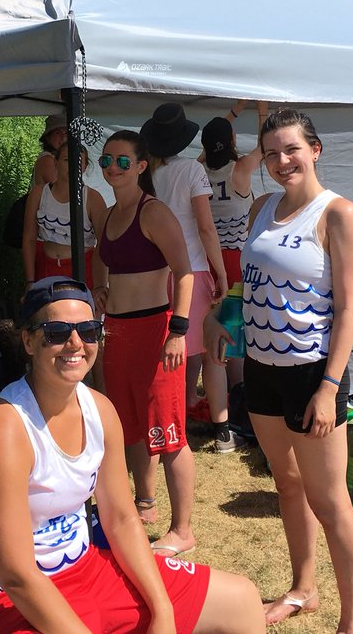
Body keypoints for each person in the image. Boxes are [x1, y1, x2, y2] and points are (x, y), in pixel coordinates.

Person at [0, 277, 265, 634]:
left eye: (88, 331)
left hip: (86, 570)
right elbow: (17, 575)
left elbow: (121, 519)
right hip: (4, 603)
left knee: (241, 600)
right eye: (56, 332)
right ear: (28, 341)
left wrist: (162, 609)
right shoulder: (4, 427)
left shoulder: (99, 410)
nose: (75, 343)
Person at [209, 107, 353, 631]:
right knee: (287, 485)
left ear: (315, 150)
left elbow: (348, 310)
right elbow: (249, 278)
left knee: (331, 502)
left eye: (292, 149)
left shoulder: (339, 214)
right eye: (272, 153)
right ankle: (304, 588)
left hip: (312, 373)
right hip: (261, 369)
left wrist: (328, 389)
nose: (282, 161)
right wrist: (223, 313)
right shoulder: (261, 206)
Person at [94, 130, 198, 558]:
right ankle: (144, 504)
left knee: (169, 432)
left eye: (123, 161)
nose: (113, 168)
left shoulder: (153, 212)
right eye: (106, 160)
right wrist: (100, 289)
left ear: (140, 166)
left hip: (156, 333)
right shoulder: (110, 215)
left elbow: (185, 272)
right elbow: (103, 261)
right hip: (118, 333)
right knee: (130, 427)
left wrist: (178, 331)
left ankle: (183, 530)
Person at [140, 103, 228, 447]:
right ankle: (222, 429)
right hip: (192, 268)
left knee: (168, 351)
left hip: (157, 271)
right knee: (209, 351)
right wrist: (220, 271)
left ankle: (171, 417)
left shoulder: (147, 173)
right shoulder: (192, 169)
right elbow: (206, 227)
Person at [195, 100, 268, 452]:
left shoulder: (198, 170)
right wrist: (260, 110)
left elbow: (209, 145)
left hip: (207, 258)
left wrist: (232, 114)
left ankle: (223, 400)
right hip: (236, 260)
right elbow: (266, 146)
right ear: (233, 140)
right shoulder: (240, 170)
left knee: (210, 333)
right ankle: (237, 401)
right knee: (235, 334)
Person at [22, 142, 108, 290]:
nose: (73, 166)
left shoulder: (93, 198)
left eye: (79, 161)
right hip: (46, 269)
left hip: (82, 271)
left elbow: (104, 245)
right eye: (67, 160)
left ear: (85, 166)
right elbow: (29, 238)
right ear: (56, 162)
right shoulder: (39, 193)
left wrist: (100, 286)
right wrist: (30, 281)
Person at [31, 114, 69, 190]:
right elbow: (60, 189)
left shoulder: (58, 158)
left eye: (66, 133)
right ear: (48, 138)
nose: (63, 137)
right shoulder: (47, 160)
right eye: (57, 133)